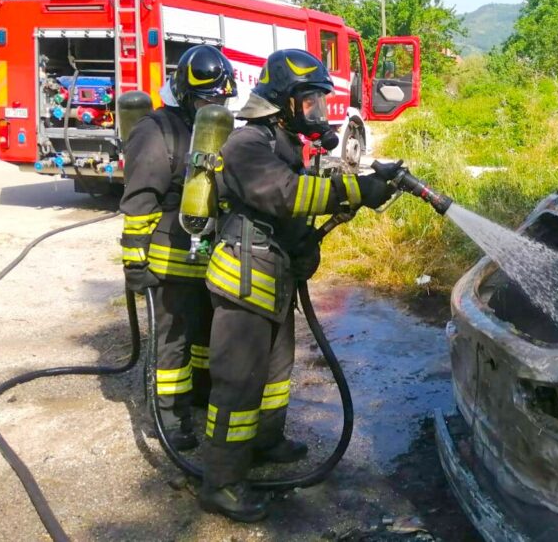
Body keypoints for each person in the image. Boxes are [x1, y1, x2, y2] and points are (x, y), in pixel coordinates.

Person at [198, 48, 395, 522]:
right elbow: (286, 196)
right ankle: (221, 482)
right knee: (238, 386)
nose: (320, 114)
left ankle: (265, 442)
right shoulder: (247, 145)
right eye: (311, 103)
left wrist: (366, 182)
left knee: (274, 375)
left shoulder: (282, 143)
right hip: (244, 283)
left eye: (321, 104)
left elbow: (295, 209)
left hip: (274, 278)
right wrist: (356, 191)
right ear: (284, 102)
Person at [120, 45, 237, 449]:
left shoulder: (214, 127)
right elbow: (139, 202)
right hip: (168, 259)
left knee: (204, 334)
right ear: (185, 95)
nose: (215, 107)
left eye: (220, 100)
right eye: (207, 99)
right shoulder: (156, 130)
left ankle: (199, 396)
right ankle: (168, 416)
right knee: (172, 341)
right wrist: (135, 262)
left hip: (207, 256)